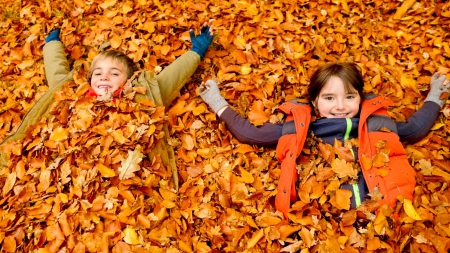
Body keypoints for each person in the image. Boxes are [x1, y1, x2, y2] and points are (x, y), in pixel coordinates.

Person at [199, 62, 449, 217]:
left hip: (384, 211)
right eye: (329, 98)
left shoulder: (378, 124)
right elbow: (251, 134)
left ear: (360, 98)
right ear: (315, 102)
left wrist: (436, 96)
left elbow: (414, 129)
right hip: (323, 215)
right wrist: (217, 102)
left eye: (349, 97)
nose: (340, 106)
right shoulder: (302, 128)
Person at [0, 24, 214, 190]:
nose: (104, 76)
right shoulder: (74, 94)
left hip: (116, 174)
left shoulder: (141, 98)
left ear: (128, 81)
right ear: (90, 78)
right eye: (98, 72)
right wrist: (52, 44)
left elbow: (171, 77)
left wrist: (197, 50)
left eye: (114, 73)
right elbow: (56, 72)